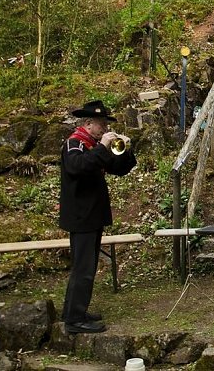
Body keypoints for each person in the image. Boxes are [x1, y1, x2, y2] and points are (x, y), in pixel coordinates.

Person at [59, 100, 136, 333]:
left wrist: (126, 149)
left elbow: (118, 169)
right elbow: (78, 167)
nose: (104, 129)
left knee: (87, 267)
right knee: (83, 268)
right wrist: (102, 146)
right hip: (81, 217)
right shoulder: (75, 144)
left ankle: (75, 311)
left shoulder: (93, 146)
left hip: (92, 216)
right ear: (88, 123)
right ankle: (74, 320)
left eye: (105, 124)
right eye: (101, 124)